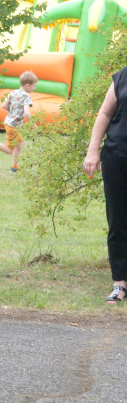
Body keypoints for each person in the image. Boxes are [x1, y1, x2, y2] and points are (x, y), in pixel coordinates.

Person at [83, 66, 127, 303]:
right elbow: (104, 114)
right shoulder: (122, 76)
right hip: (118, 156)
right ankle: (119, 284)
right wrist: (92, 151)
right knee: (118, 220)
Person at [2, 71, 37, 173]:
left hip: (10, 123)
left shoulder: (12, 93)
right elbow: (27, 112)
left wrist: (13, 110)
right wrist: (34, 124)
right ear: (27, 86)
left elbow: (4, 106)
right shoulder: (26, 96)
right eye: (33, 86)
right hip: (13, 126)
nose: (34, 88)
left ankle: (15, 167)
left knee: (20, 144)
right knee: (9, 150)